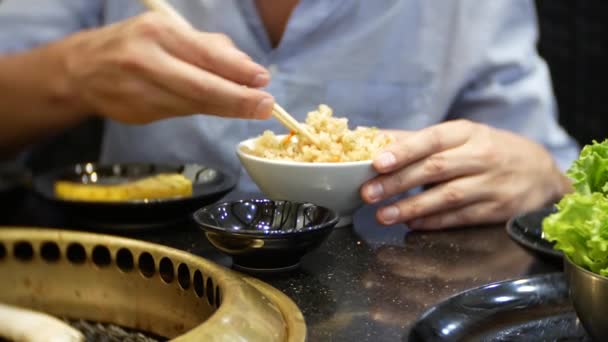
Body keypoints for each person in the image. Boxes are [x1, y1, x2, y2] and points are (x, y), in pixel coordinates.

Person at [0, 0, 578, 230]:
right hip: (140, 277)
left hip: (382, 305)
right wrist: (70, 73)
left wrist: (540, 175)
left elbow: (555, 177)